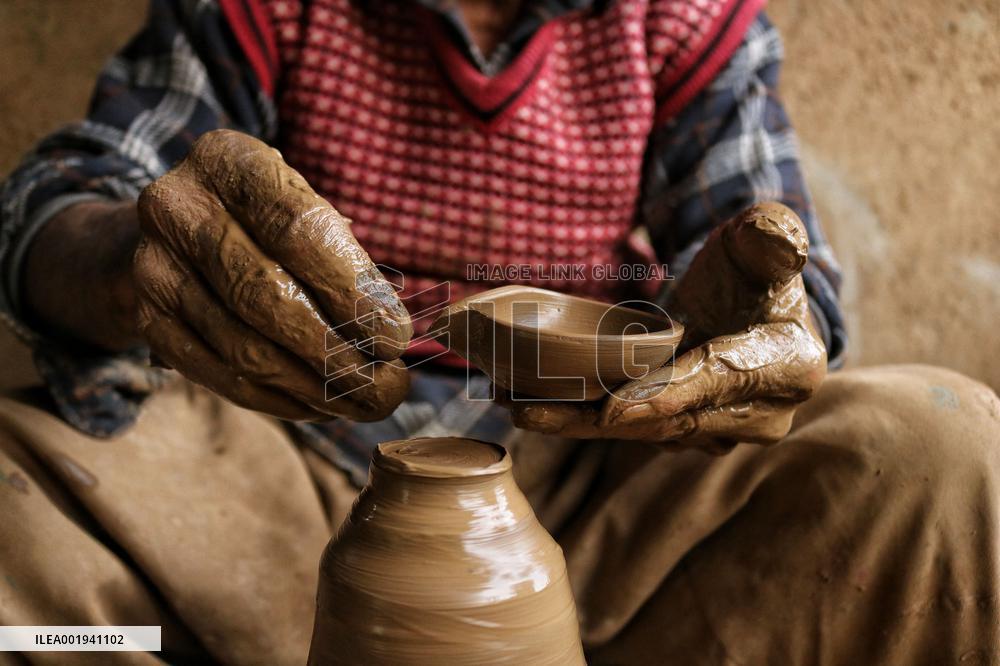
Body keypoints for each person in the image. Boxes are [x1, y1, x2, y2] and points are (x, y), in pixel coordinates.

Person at [0, 0, 996, 663]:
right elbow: (73, 197)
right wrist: (127, 260)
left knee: (944, 454)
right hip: (288, 447)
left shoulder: (684, 16)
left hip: (595, 454)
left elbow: (789, 290)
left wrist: (746, 325)